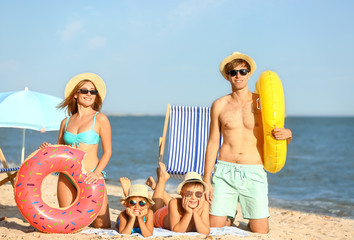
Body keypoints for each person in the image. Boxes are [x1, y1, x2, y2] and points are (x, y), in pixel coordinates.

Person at [203, 52, 292, 234]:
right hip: (224, 171)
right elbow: (213, 142)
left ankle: (244, 216)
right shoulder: (219, 104)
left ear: (249, 74)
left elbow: (275, 135)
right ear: (227, 76)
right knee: (215, 228)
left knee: (260, 231)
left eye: (243, 71)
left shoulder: (261, 103)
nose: (238, 76)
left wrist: (288, 135)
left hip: (253, 171)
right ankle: (229, 215)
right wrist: (206, 179)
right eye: (233, 72)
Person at [40, 73, 112, 228]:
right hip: (66, 177)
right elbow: (59, 149)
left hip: (90, 175)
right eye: (84, 90)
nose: (89, 94)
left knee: (102, 224)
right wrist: (49, 149)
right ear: (75, 95)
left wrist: (97, 173)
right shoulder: (66, 122)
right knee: (68, 223)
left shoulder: (100, 119)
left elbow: (108, 152)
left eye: (93, 91)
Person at [144, 162, 210, 235]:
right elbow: (176, 231)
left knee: (177, 201)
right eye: (188, 194)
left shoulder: (204, 205)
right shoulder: (174, 202)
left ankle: (157, 186)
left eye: (198, 194)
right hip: (162, 216)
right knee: (155, 209)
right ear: (182, 194)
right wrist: (188, 213)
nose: (194, 197)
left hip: (175, 210)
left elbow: (205, 231)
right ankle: (161, 180)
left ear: (202, 195)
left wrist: (195, 213)